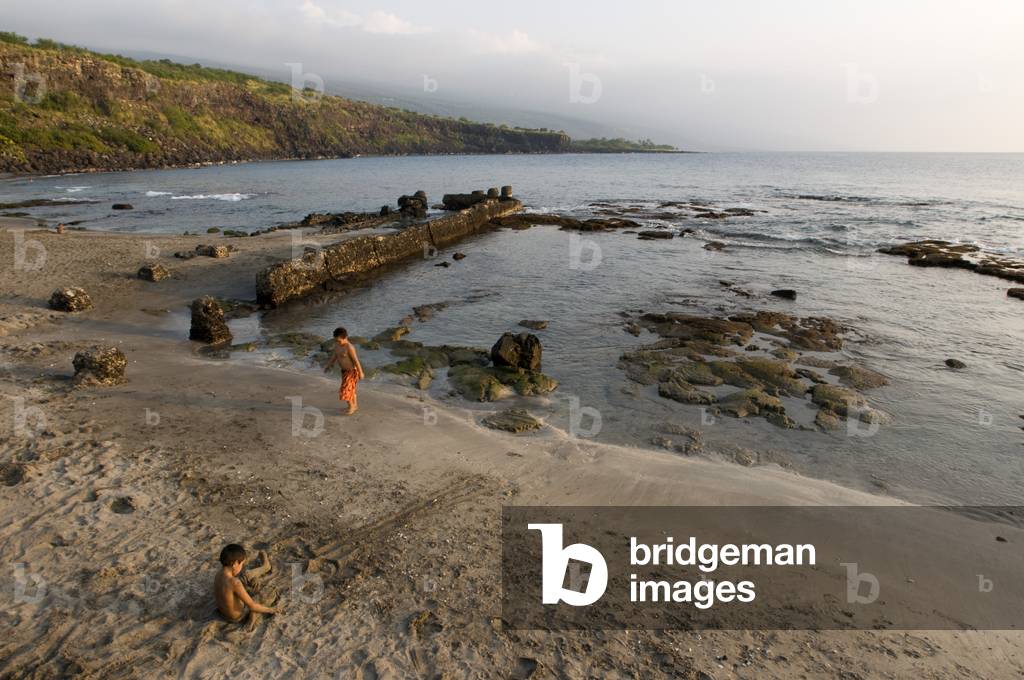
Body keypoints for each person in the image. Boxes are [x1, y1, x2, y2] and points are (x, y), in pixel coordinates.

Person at [214, 544, 278, 623]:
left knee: (245, 577)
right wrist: (272, 610)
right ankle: (265, 567)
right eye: (241, 564)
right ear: (235, 564)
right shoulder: (235, 582)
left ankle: (265, 567)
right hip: (239, 616)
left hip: (224, 614)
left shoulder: (218, 574)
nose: (241, 567)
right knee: (271, 591)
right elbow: (252, 606)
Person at [323, 327, 364, 415]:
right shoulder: (337, 346)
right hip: (344, 371)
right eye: (336, 340)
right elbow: (334, 357)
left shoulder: (349, 347)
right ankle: (355, 405)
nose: (338, 342)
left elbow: (356, 360)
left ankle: (351, 407)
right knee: (351, 390)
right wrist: (328, 366)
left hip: (352, 371)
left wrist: (361, 372)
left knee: (344, 390)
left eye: (339, 340)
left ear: (345, 337)